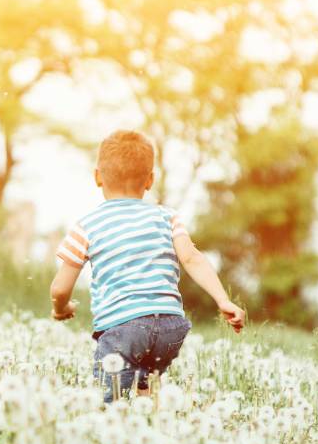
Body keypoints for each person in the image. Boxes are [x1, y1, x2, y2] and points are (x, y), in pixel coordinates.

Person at [49, 130, 245, 402]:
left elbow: (60, 288)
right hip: (170, 326)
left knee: (108, 400)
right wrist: (223, 300)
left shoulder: (88, 226)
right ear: (150, 180)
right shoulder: (167, 216)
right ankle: (150, 417)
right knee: (148, 383)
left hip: (122, 327)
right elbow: (192, 258)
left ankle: (112, 434)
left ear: (97, 177)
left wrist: (62, 309)